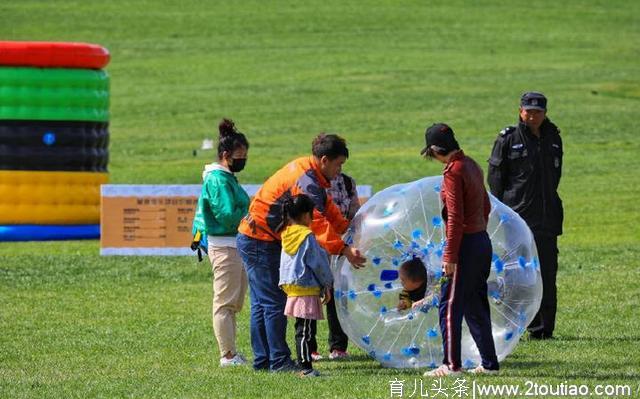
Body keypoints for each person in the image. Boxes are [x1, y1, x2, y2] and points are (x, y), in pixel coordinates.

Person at [236, 133, 367, 372]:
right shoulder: (306, 179)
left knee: (262, 304)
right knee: (272, 304)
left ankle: (264, 360)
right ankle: (278, 361)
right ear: (324, 160)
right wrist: (345, 249)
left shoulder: (312, 175)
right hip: (258, 240)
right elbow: (316, 221)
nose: (339, 171)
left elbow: (325, 208)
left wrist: (347, 228)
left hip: (258, 238)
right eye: (338, 164)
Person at [420, 123, 499, 377]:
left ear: (434, 150)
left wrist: (450, 256)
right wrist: (479, 232)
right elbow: (486, 205)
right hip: (481, 241)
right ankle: (489, 363)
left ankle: (451, 365)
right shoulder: (472, 165)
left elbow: (454, 216)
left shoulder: (453, 172)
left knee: (450, 305)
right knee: (476, 304)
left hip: (464, 246)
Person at [488, 92, 563, 340]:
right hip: (518, 218)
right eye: (528, 111)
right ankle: (516, 325)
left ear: (545, 113)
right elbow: (496, 180)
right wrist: (503, 212)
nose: (533, 116)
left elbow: (555, 176)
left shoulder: (553, 137)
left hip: (547, 218)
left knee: (547, 273)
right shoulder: (508, 139)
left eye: (538, 111)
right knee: (517, 275)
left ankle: (544, 328)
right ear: (520, 111)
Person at [191, 118, 250, 367]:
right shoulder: (217, 180)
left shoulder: (226, 178)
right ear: (226, 155)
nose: (243, 160)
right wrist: (248, 215)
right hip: (224, 245)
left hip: (234, 245)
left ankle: (233, 352)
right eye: (240, 156)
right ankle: (227, 355)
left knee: (234, 302)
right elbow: (226, 215)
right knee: (224, 302)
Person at [279, 194, 334, 377]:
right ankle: (305, 367)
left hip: (292, 288)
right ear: (304, 215)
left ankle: (304, 363)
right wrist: (327, 283)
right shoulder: (307, 236)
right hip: (307, 289)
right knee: (305, 331)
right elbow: (317, 263)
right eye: (311, 214)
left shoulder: (286, 234)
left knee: (301, 328)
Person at [314, 172, 361, 361]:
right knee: (312, 295)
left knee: (338, 295)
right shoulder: (312, 184)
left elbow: (355, 211)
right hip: (316, 245)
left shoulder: (348, 182)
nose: (339, 167)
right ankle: (310, 347)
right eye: (337, 162)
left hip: (341, 246)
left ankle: (338, 346)